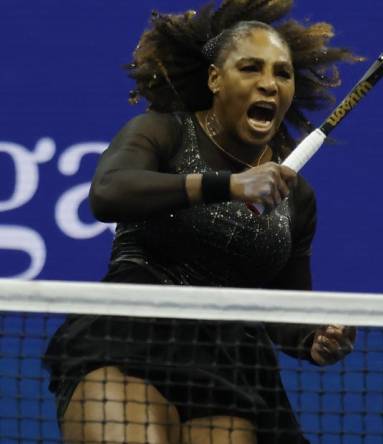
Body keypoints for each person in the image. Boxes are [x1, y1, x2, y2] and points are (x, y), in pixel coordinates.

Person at [43, 1, 359, 443]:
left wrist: (313, 337)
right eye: (251, 68)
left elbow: (283, 306)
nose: (268, 84)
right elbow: (108, 192)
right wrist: (227, 185)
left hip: (230, 367)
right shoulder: (163, 132)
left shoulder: (296, 196)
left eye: (281, 73)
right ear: (215, 78)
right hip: (132, 336)